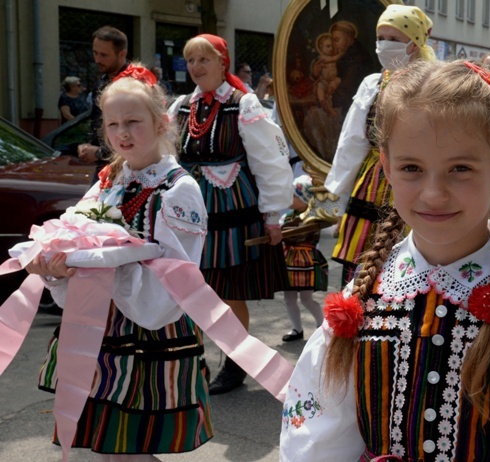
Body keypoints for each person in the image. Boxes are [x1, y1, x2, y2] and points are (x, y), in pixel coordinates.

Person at [280, 59, 490, 461]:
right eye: (411, 168)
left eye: (460, 168)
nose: (433, 194)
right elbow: (318, 438)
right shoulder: (365, 295)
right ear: (385, 168)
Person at [25, 65, 212, 460]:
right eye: (112, 125)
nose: (122, 134)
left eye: (133, 122)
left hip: (148, 328)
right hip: (99, 323)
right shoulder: (110, 177)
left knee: (131, 446)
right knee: (110, 444)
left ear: (161, 122)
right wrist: (59, 266)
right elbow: (78, 228)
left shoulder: (178, 188)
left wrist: (109, 269)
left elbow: (175, 280)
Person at [167, 34, 293, 394]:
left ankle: (236, 363)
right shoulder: (181, 107)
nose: (195, 67)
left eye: (203, 59)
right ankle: (196, 361)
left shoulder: (244, 104)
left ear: (223, 62)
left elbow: (270, 162)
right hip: (190, 213)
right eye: (190, 60)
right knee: (191, 290)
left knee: (227, 293)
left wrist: (272, 215)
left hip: (230, 210)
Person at [324, 4, 436, 287]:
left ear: (414, 44)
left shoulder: (433, 84)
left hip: (418, 177)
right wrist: (336, 197)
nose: (384, 45)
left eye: (394, 39)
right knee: (362, 258)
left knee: (412, 257)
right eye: (380, 38)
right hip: (373, 180)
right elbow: (351, 142)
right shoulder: (372, 84)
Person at [78, 26, 130, 181]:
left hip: (130, 169)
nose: (97, 60)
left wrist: (99, 152)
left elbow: (137, 136)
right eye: (95, 53)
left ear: (122, 54)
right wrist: (88, 146)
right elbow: (97, 125)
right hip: (104, 168)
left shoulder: (135, 84)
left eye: (104, 55)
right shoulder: (101, 81)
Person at [280, 175, 327, 342]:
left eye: (294, 196)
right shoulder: (286, 217)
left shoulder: (314, 218)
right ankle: (297, 329)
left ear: (305, 198)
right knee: (289, 298)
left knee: (306, 298)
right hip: (288, 261)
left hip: (306, 261)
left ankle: (322, 326)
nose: (290, 199)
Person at [312, 33, 342, 117]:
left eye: (332, 46)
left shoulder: (332, 56)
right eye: (328, 46)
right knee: (321, 96)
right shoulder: (322, 57)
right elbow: (334, 59)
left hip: (333, 80)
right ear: (321, 48)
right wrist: (340, 54)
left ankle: (331, 108)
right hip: (323, 82)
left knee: (338, 81)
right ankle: (329, 110)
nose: (331, 49)